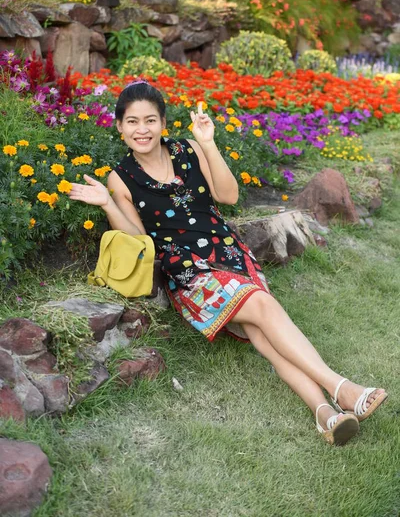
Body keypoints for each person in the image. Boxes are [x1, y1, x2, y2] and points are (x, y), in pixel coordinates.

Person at [69, 80, 387, 446]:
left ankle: (325, 414)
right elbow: (140, 240)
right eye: (133, 122)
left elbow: (228, 195)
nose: (142, 130)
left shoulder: (188, 149)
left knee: (264, 336)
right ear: (120, 126)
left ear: (163, 122)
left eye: (150, 120)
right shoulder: (121, 178)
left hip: (230, 253)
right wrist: (107, 203)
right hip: (189, 271)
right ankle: (342, 388)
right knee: (265, 307)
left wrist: (207, 142)